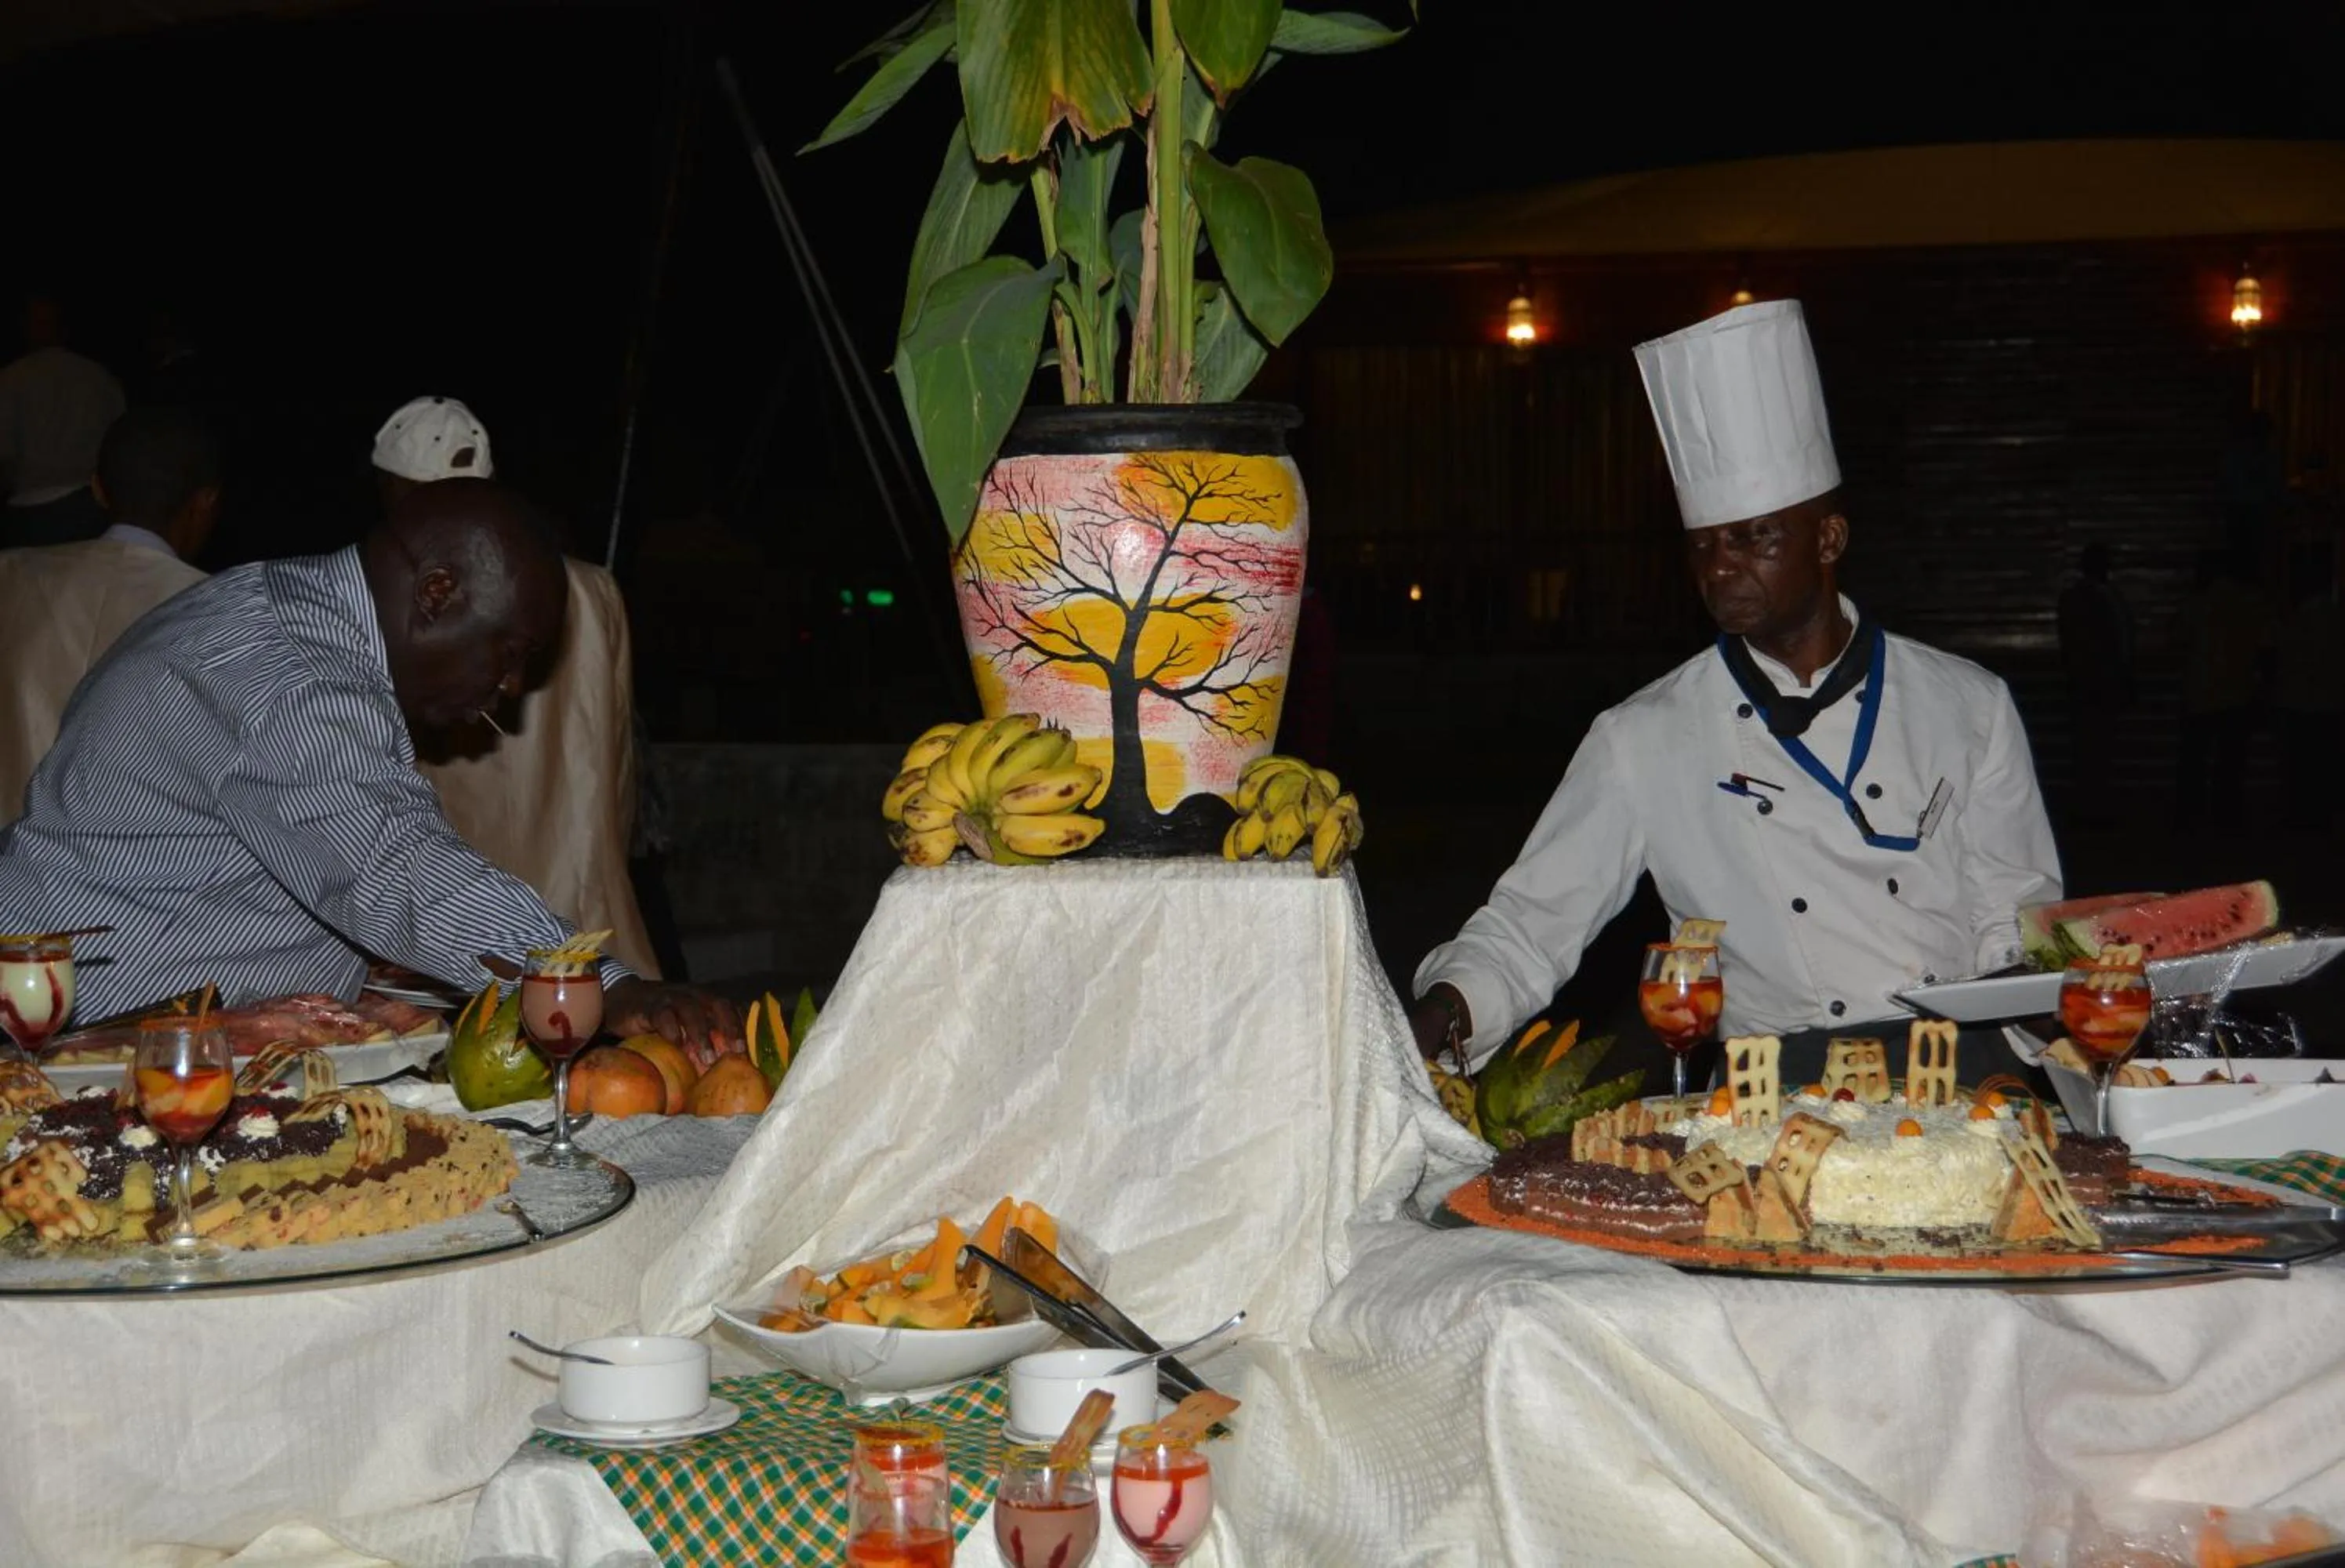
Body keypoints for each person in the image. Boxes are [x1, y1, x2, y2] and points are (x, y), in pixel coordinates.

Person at [1407, 300, 2062, 1083]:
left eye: (1754, 537)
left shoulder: (1969, 703)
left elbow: (2016, 914)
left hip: (1957, 1071)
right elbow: (1531, 923)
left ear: (1828, 539)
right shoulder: (1643, 734)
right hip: (1770, 1090)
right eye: (1703, 545)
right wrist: (1441, 1015)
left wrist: (2045, 1003)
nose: (1720, 567)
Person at [0, 478, 733, 1054]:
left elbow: (274, 864)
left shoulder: (281, 602)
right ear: (437, 594)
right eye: (509, 652)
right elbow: (393, 866)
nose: (512, 687)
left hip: (141, 1020)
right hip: (72, 1042)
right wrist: (588, 982)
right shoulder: (293, 674)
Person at [372, 396, 662, 979]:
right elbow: (621, 758)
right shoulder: (594, 588)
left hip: (473, 924)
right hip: (591, 903)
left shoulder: (406, 602)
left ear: (397, 492)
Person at [0, 406, 220, 819]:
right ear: (206, 503)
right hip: (136, 851)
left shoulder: (9, 575)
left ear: (98, 490)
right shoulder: (225, 612)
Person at [0, 295, 126, 547]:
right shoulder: (99, 377)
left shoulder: (10, 379)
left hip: (30, 510)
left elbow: (4, 453)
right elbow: (122, 442)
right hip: (89, 506)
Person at [2174, 544, 2269, 828]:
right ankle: (2227, 812)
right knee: (2231, 760)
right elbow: (2267, 643)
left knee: (2195, 758)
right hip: (2237, 692)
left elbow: (2178, 637)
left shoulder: (2197, 603)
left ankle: (2192, 812)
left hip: (2201, 692)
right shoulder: (2251, 601)